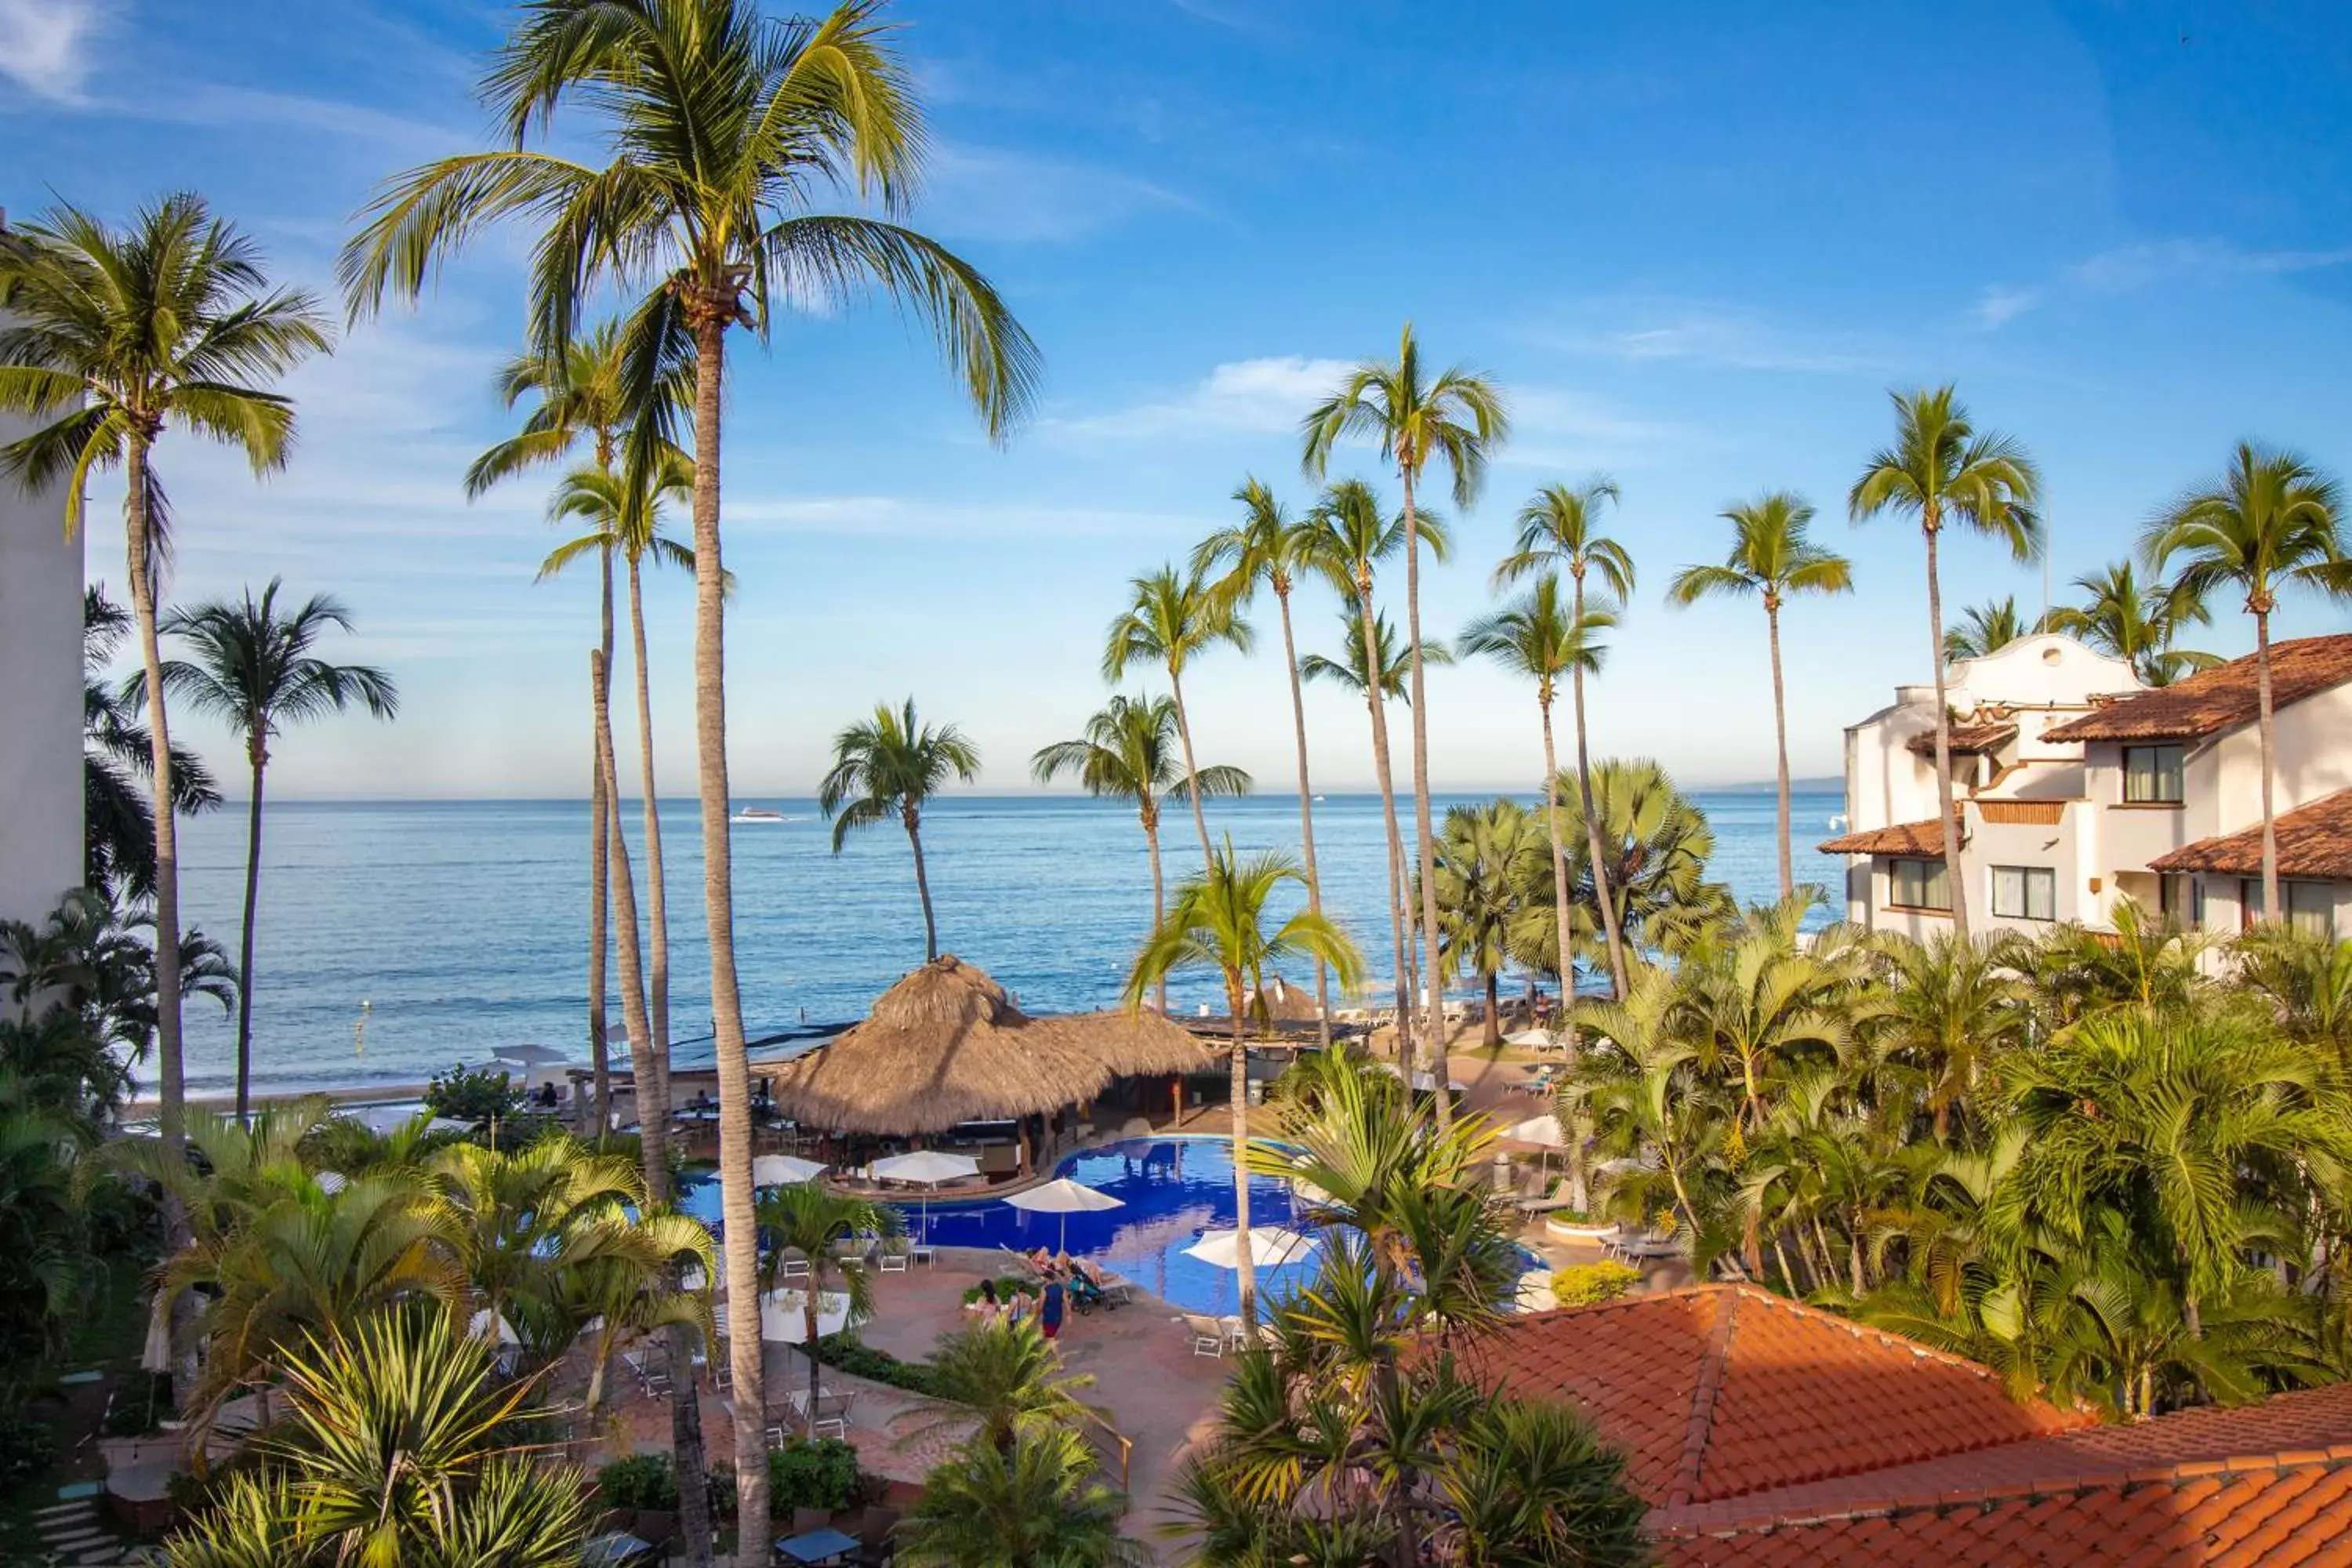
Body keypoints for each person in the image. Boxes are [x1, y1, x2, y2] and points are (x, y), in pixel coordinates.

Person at [1040, 1276, 1066, 1341]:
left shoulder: (1045, 1290)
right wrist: (1069, 1314)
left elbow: (1041, 1305)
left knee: (1049, 1338)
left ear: (1047, 1279)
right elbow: (1066, 1301)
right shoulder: (1061, 1288)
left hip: (1048, 1317)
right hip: (1058, 1316)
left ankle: (1052, 1349)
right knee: (1052, 1335)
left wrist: (1038, 1313)